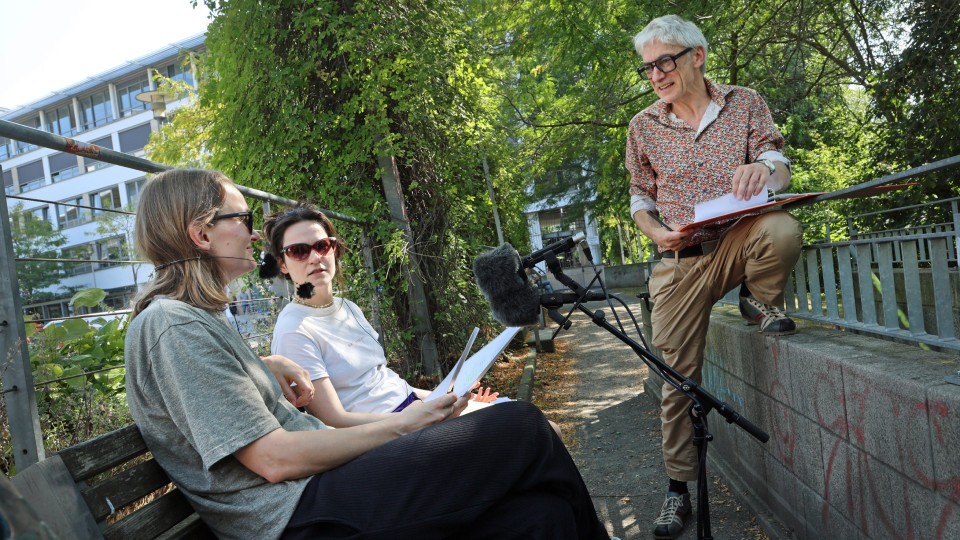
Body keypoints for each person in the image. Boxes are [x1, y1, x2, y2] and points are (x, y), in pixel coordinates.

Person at [124, 168, 611, 540]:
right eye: (243, 219)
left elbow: (212, 396)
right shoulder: (172, 324)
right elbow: (274, 461)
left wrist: (265, 366)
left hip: (318, 493)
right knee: (521, 426)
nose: (254, 234)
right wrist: (408, 423)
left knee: (541, 518)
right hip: (295, 514)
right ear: (201, 234)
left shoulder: (194, 320)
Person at [625, 15, 803, 539]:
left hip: (736, 241)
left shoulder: (745, 102)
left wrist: (766, 173)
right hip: (680, 263)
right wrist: (656, 234)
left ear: (696, 56)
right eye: (648, 67)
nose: (656, 74)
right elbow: (640, 198)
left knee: (782, 227)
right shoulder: (644, 126)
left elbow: (778, 160)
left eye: (665, 61)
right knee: (677, 384)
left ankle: (759, 297)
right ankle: (678, 489)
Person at [261, 203, 552, 430]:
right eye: (299, 251)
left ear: (333, 249)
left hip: (415, 408)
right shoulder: (294, 329)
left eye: (322, 245)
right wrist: (418, 417)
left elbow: (384, 383)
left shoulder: (347, 307)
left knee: (532, 419)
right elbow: (335, 422)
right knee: (535, 429)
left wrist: (443, 397)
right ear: (282, 264)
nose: (314, 257)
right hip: (390, 434)